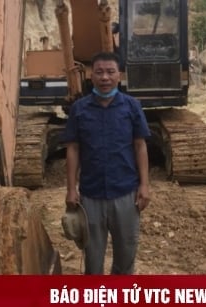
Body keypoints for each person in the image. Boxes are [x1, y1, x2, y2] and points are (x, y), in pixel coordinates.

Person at [63, 51, 151, 274]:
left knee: (126, 256)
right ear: (91, 76)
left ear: (119, 76)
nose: (105, 78)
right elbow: (73, 149)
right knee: (92, 260)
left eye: (110, 72)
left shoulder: (131, 107)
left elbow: (140, 146)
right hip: (91, 196)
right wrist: (71, 189)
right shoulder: (79, 109)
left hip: (125, 195)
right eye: (99, 72)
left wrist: (144, 185)